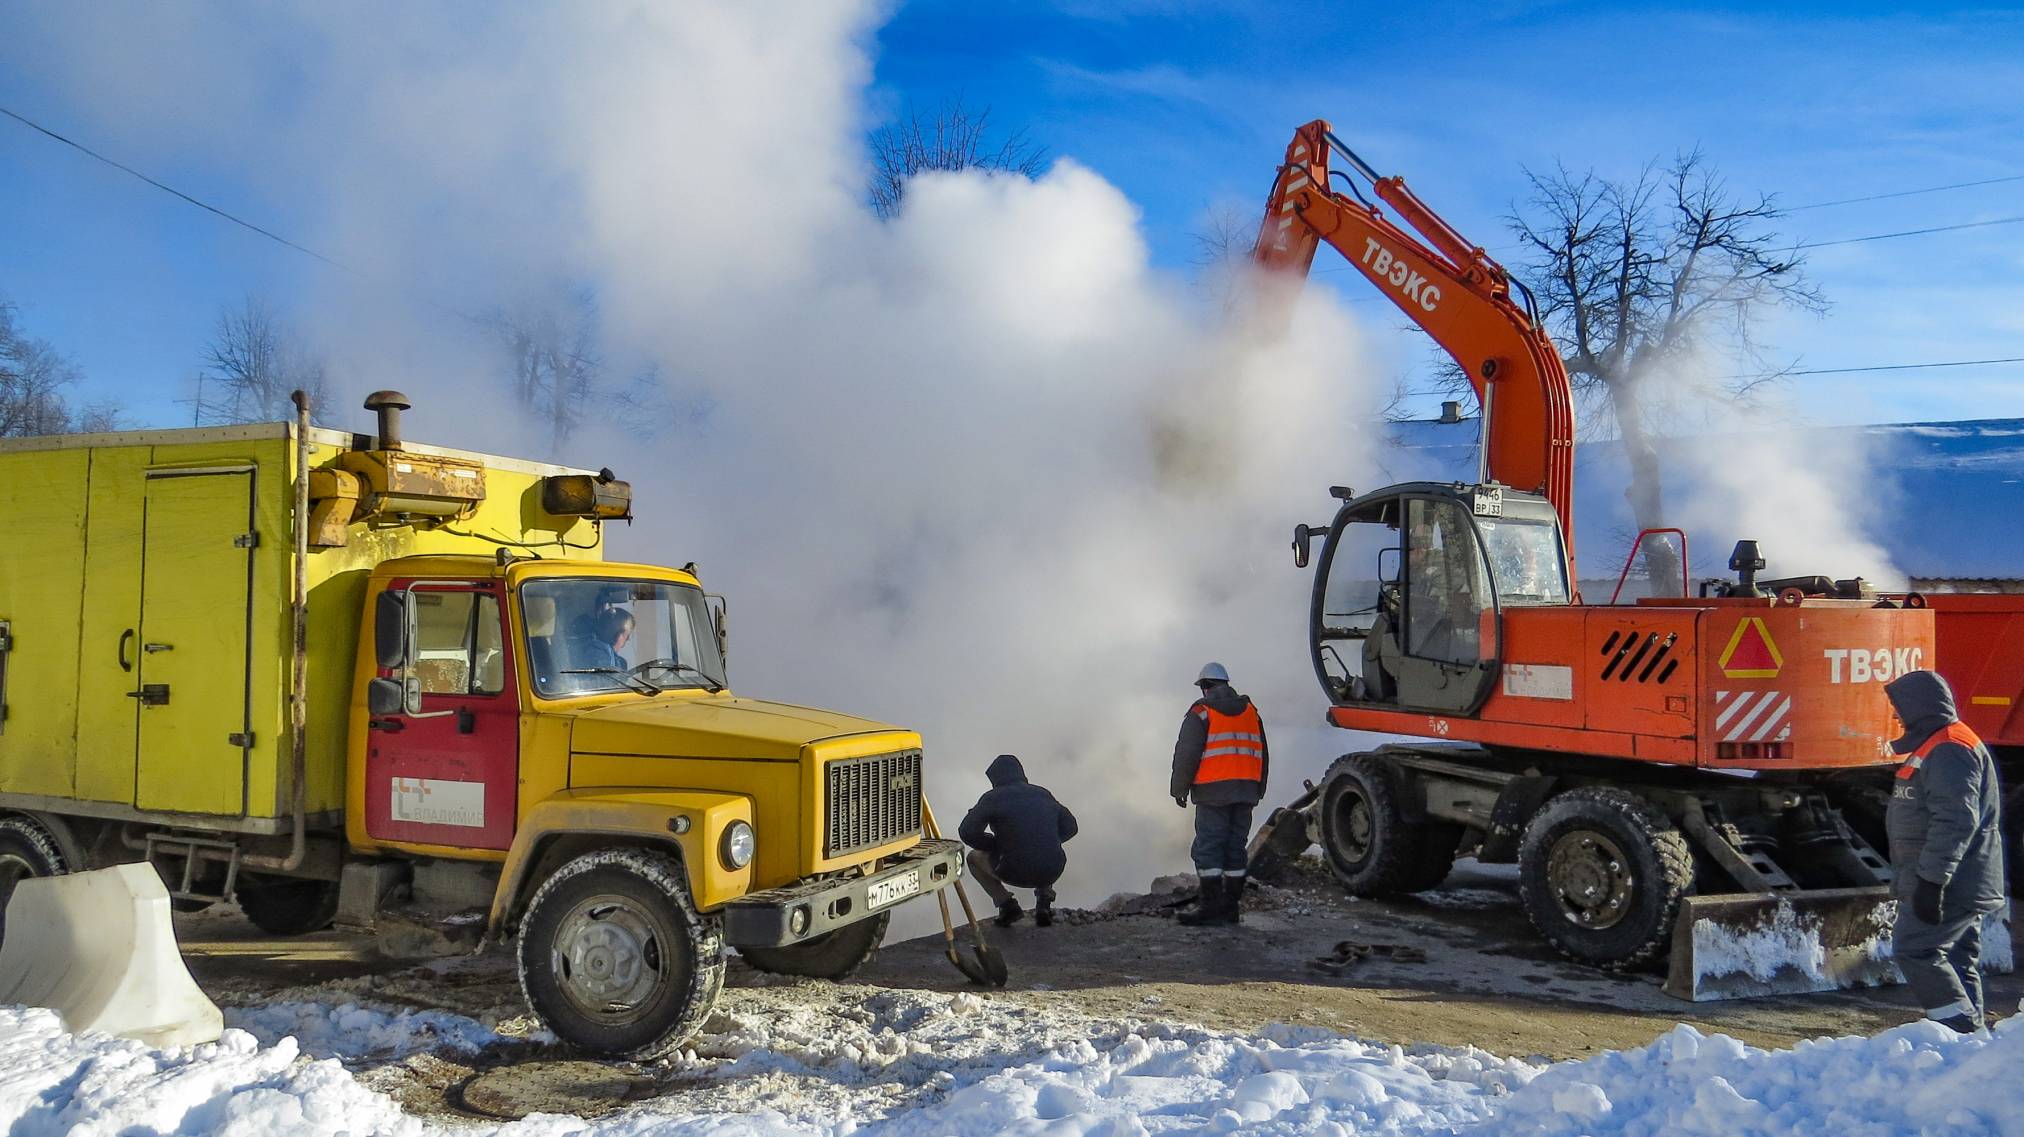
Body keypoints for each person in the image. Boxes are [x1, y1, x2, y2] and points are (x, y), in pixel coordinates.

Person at [1885, 669, 2006, 1033]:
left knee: (1915, 949)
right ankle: (1968, 1046)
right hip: (1955, 876)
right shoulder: (1939, 743)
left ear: (1919, 708)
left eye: (1899, 708)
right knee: (1955, 958)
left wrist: (1931, 882)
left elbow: (1954, 821)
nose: (1896, 716)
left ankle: (1961, 1028)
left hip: (1950, 880)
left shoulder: (1950, 748)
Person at [1171, 662, 1269, 927]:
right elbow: (1263, 752)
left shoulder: (1201, 712)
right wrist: (1259, 787)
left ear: (1205, 687)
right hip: (1246, 791)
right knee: (1235, 848)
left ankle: (1211, 908)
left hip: (1213, 793)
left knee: (1209, 849)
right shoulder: (1251, 711)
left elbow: (1187, 754)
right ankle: (1230, 909)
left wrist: (1179, 789)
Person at [958, 754, 1078, 927]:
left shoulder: (991, 798)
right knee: (1044, 844)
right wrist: (1049, 837)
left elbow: (967, 832)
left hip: (1013, 869)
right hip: (1053, 869)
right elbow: (1071, 827)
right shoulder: (1043, 794)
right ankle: (1044, 903)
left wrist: (993, 845)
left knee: (972, 859)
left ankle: (1007, 905)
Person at [570, 607, 636, 674]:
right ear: (618, 636)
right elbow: (603, 682)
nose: (628, 639)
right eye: (627, 636)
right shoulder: (600, 655)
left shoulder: (593, 645)